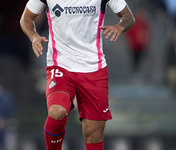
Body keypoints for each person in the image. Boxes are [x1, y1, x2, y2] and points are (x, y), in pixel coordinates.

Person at [20, 0, 135, 149]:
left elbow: (128, 16)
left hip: (94, 67)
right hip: (60, 64)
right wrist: (33, 36)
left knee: (94, 133)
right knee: (57, 111)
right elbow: (26, 18)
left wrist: (120, 26)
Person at [126, 7, 150, 72]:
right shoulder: (134, 22)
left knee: (141, 61)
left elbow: (147, 34)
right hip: (134, 45)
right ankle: (134, 73)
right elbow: (129, 33)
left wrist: (145, 42)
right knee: (134, 60)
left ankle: (139, 73)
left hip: (141, 46)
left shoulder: (144, 23)